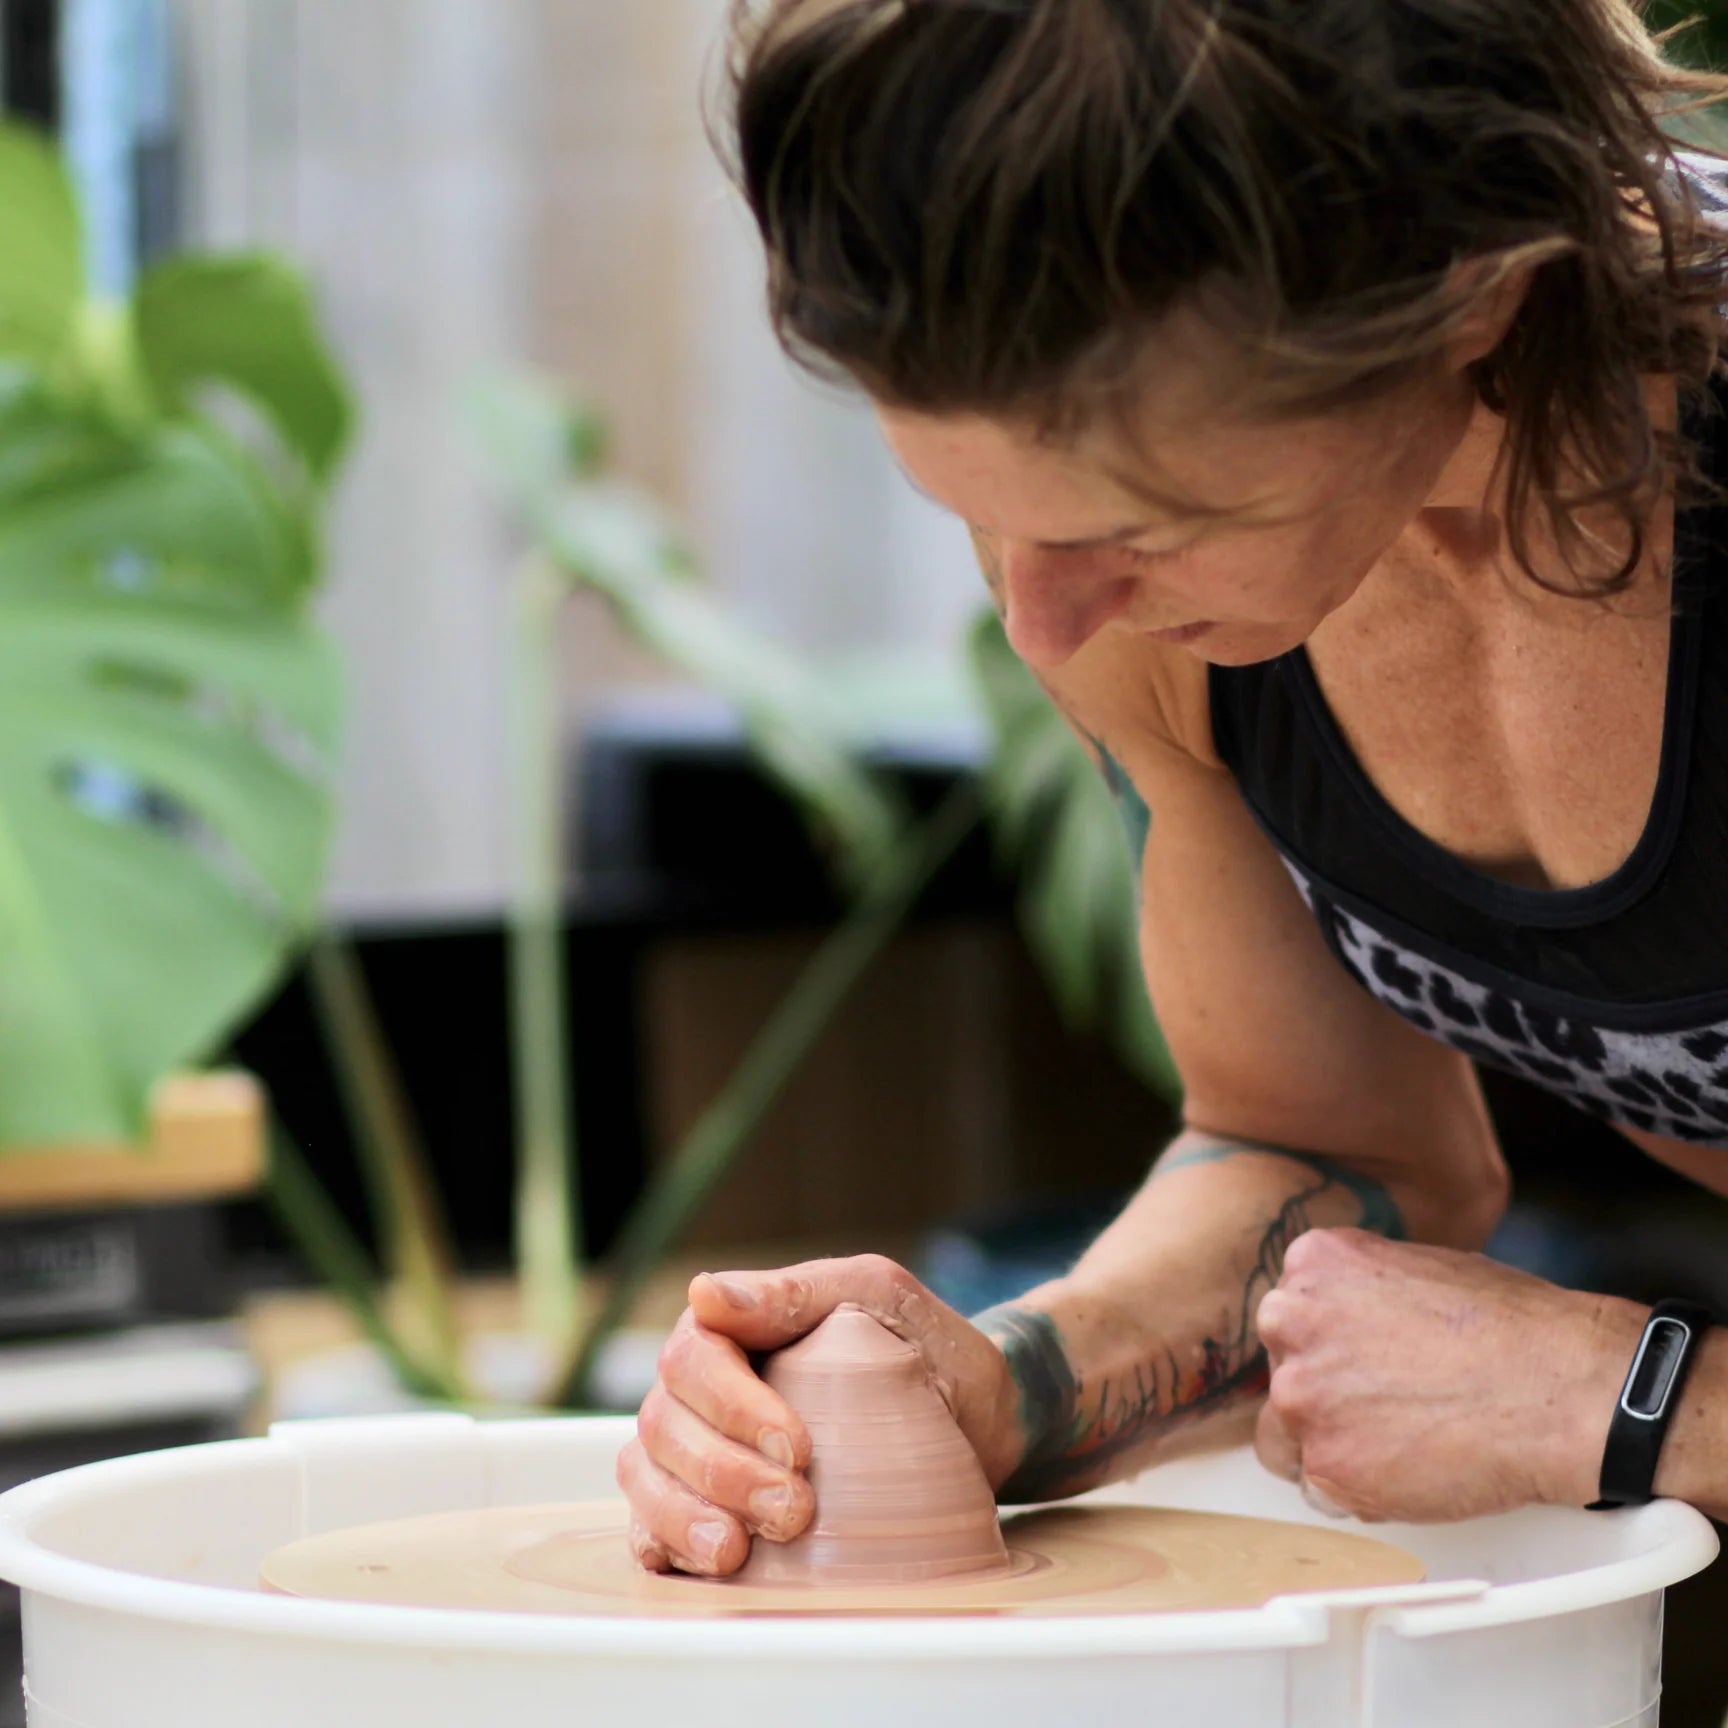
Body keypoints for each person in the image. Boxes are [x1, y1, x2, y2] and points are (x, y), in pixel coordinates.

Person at [617, 0, 1728, 1578]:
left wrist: (1624, 1399)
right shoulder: (1123, 579)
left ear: (1468, 300)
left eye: (1143, 525)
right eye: (983, 510)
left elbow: (1597, 1397)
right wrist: (992, 1387)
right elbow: (1335, 1154)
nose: (1043, 624)